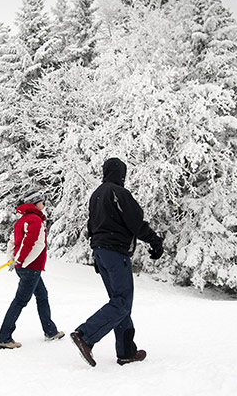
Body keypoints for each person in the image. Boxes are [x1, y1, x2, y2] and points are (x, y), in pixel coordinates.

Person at [70, 157, 163, 367]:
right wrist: (154, 241)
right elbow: (136, 222)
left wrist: (97, 254)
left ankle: (126, 351)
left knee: (118, 301)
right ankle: (85, 334)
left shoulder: (96, 195)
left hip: (101, 252)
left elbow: (91, 226)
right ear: (121, 173)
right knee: (121, 302)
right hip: (115, 253)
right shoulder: (119, 193)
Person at [0, 188, 65, 349]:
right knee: (20, 301)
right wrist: (19, 260)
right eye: (41, 200)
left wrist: (12, 260)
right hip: (30, 267)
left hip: (26, 266)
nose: (44, 203)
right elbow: (31, 242)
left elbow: (12, 242)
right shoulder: (35, 220)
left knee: (42, 295)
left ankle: (50, 331)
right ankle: (4, 338)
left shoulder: (22, 220)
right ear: (35, 203)